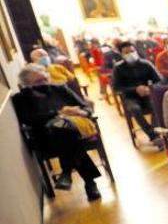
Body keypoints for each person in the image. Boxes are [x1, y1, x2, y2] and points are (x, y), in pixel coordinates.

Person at [12, 64, 102, 200]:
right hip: (45, 137)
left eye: (45, 79)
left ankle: (67, 173)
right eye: (38, 82)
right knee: (66, 134)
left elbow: (85, 106)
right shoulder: (21, 98)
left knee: (64, 129)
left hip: (72, 128)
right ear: (26, 84)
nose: (43, 83)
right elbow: (27, 119)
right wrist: (58, 112)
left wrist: (83, 112)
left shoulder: (60, 89)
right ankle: (89, 182)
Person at [111, 41, 162, 147]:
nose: (130, 54)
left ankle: (156, 132)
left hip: (147, 94)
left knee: (155, 105)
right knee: (135, 109)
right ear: (121, 55)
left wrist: (149, 88)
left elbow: (159, 80)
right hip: (130, 97)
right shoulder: (118, 68)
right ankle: (153, 135)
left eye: (132, 51)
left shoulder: (146, 64)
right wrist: (135, 89)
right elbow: (116, 88)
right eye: (126, 52)